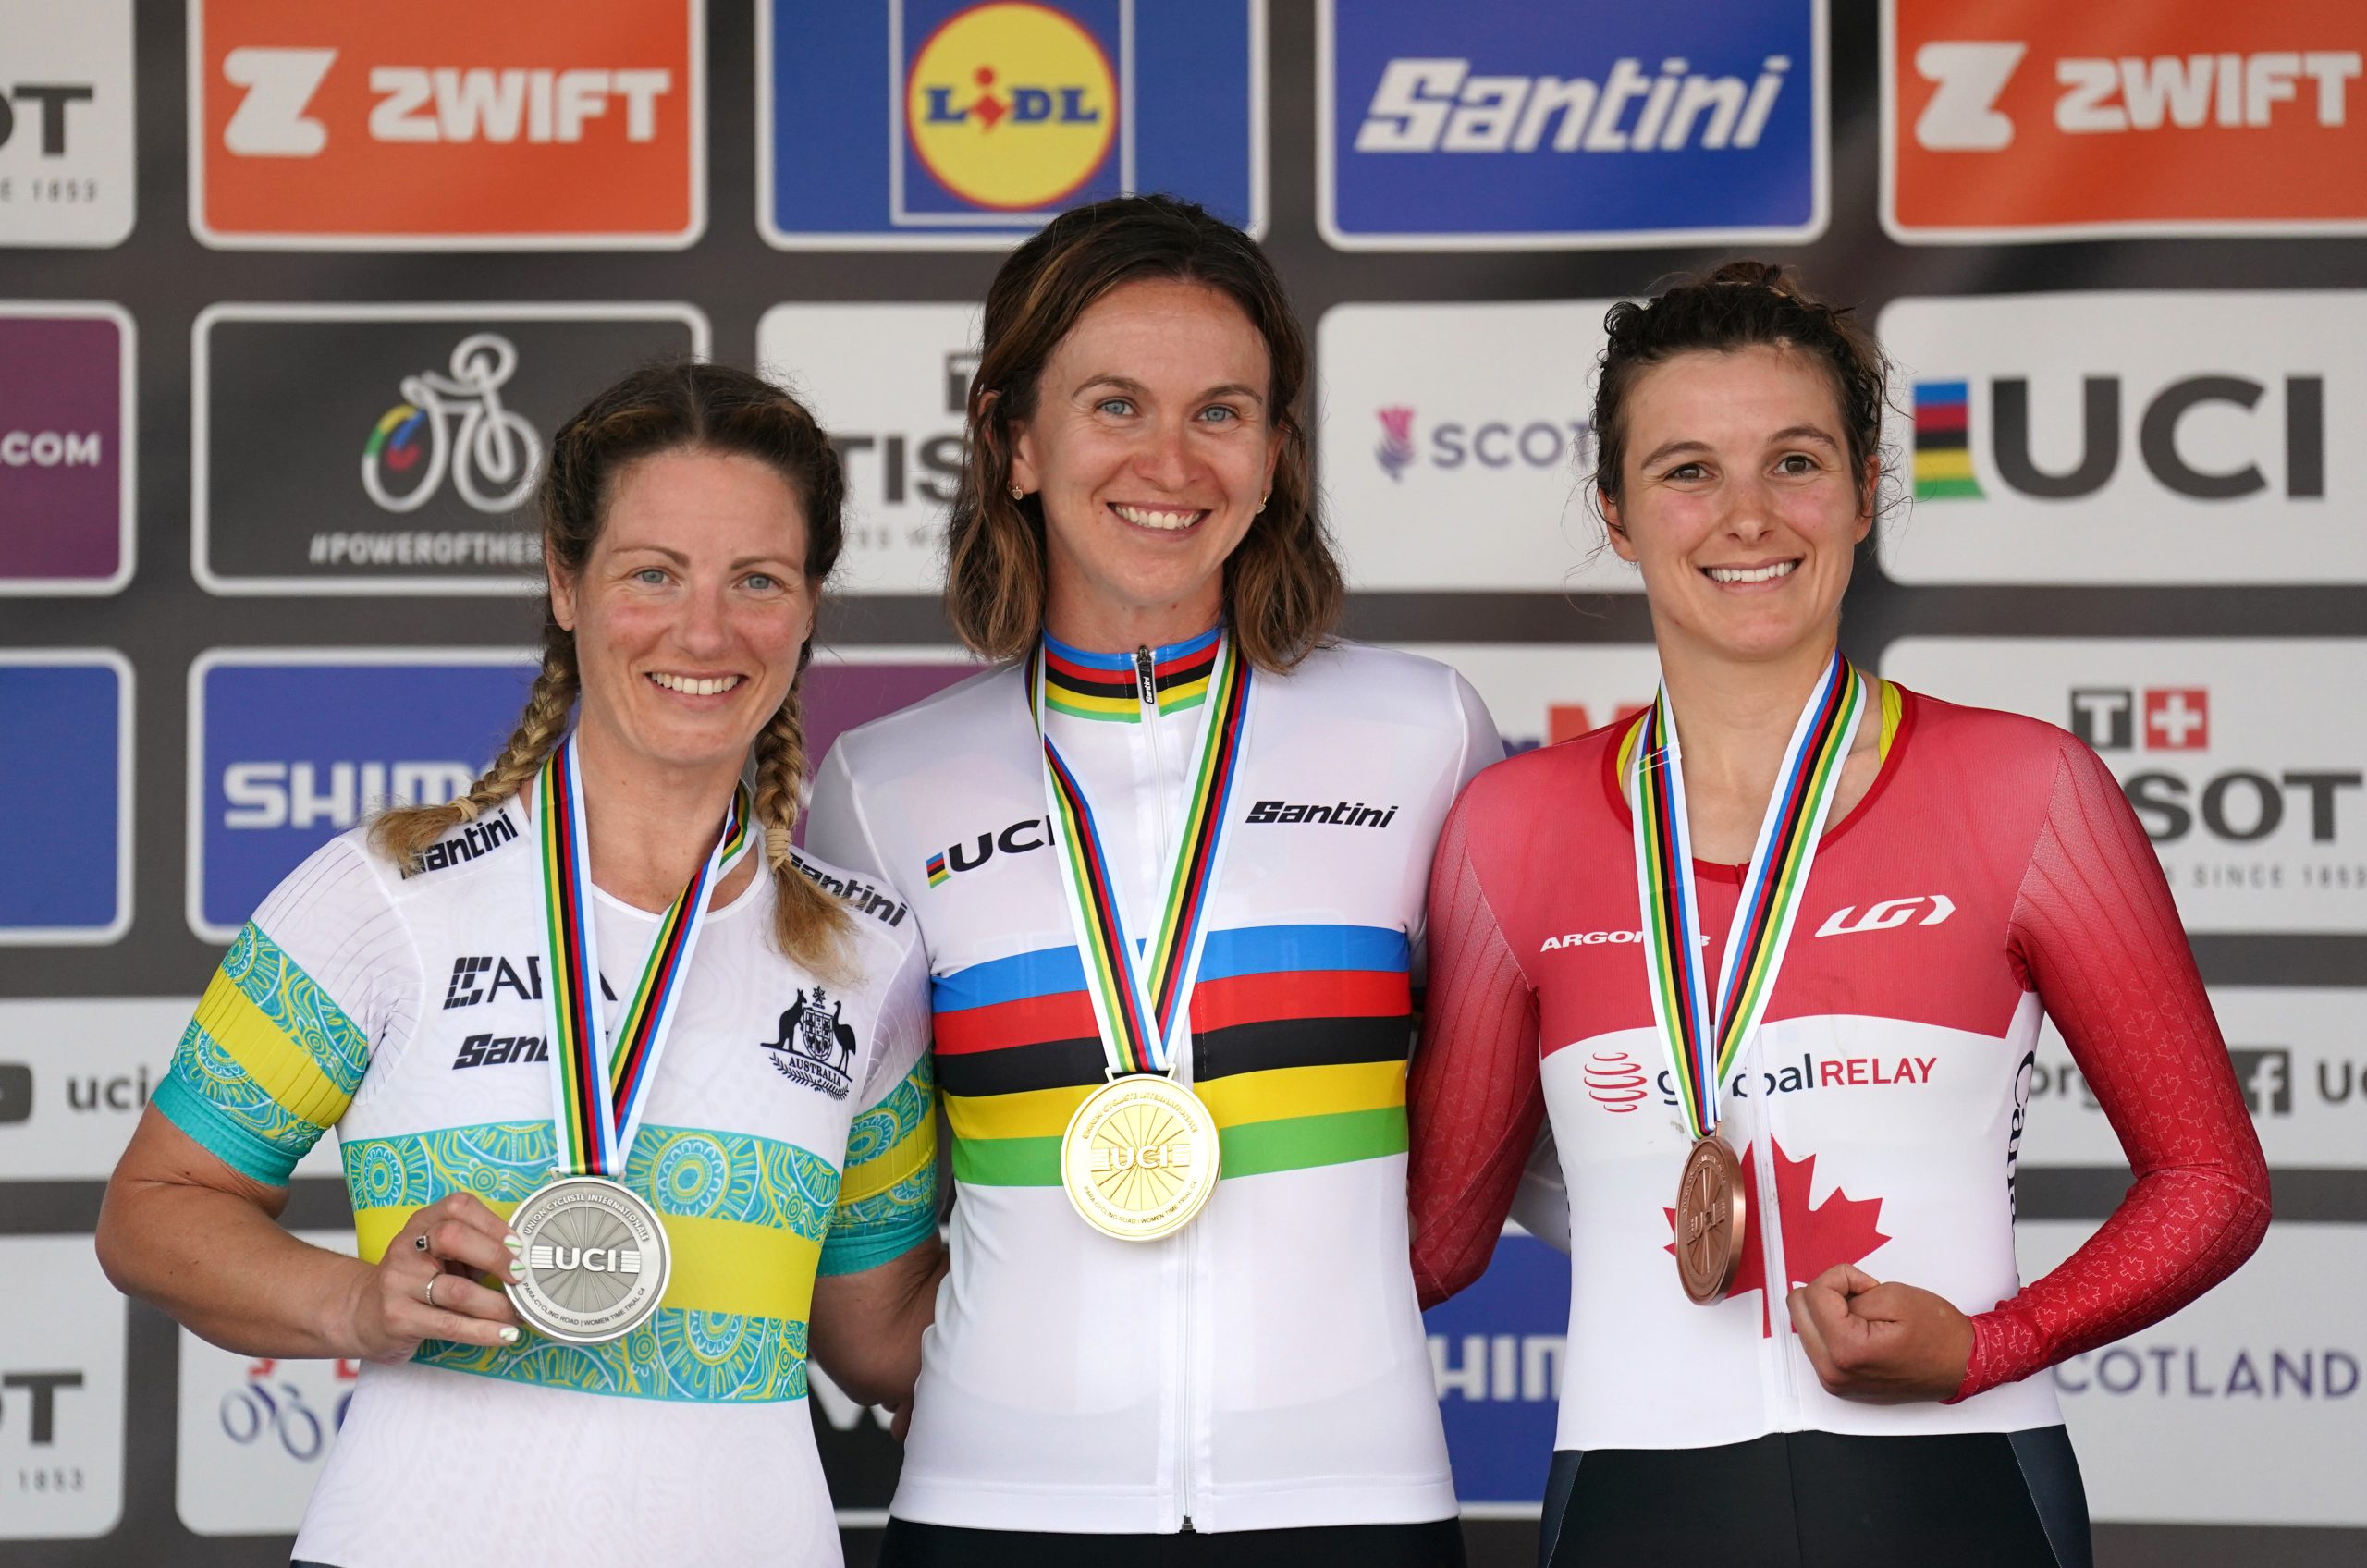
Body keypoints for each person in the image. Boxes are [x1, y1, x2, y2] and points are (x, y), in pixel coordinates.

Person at [1405, 263, 2271, 1568]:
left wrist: (1994, 1344)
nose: (1748, 516)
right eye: (1688, 471)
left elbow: (2214, 1183)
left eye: (1796, 462)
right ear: (1616, 514)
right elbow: (1438, 1237)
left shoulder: (2026, 791)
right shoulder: (1511, 829)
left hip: (1961, 1492)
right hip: (1637, 1505)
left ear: (1867, 491)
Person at [96, 361, 945, 1568]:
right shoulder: (386, 895)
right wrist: (354, 1302)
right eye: (652, 573)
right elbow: (154, 1210)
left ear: (809, 605)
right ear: (563, 579)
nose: (705, 631)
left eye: (757, 579)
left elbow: (877, 1335)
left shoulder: (868, 954)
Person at [806, 193, 1501, 1566]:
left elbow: (1505, 1127)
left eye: (1220, 412)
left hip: (1350, 1499)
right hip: (998, 1509)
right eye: (1115, 404)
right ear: (1014, 442)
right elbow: (850, 1211)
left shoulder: (1425, 732)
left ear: (1276, 454)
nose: (1170, 462)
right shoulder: (885, 786)